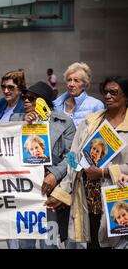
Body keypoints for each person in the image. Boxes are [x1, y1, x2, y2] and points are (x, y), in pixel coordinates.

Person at [47, 77, 128, 249]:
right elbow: (72, 156)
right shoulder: (91, 121)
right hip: (89, 200)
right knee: (94, 243)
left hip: (121, 200)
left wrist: (105, 172)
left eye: (114, 92)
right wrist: (61, 192)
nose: (108, 96)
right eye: (105, 92)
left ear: (126, 96)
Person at [11, 81, 76, 249]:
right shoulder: (16, 119)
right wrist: (25, 126)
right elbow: (9, 151)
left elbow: (73, 157)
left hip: (51, 191)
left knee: (50, 242)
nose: (25, 101)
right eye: (24, 97)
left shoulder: (64, 122)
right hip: (25, 190)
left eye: (31, 99)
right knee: (25, 242)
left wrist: (55, 174)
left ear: (43, 101)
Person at [53, 62, 104, 128]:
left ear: (84, 84)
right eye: (69, 80)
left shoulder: (96, 105)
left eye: (76, 80)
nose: (71, 84)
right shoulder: (57, 105)